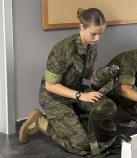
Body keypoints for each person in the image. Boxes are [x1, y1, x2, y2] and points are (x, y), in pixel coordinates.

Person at [19, 8, 118, 157]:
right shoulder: (63, 49)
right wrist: (80, 96)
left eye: (100, 34)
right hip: (54, 98)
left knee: (108, 107)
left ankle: (77, 123)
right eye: (94, 34)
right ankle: (40, 122)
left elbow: (88, 75)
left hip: (75, 92)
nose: (97, 39)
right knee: (81, 145)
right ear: (82, 27)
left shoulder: (92, 48)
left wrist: (102, 75)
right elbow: (50, 85)